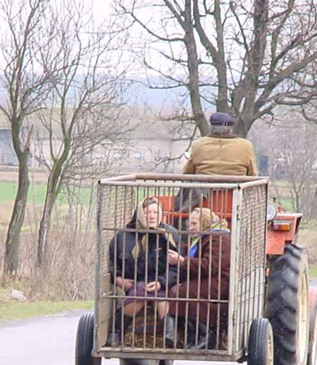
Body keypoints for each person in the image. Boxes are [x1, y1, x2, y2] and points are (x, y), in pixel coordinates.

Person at [108, 197, 178, 345]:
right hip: (135, 281)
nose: (152, 216)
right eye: (147, 212)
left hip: (162, 281)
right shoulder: (123, 236)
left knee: (161, 297)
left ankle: (170, 335)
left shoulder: (170, 235)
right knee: (140, 291)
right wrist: (119, 280)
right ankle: (117, 331)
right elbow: (113, 264)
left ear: (161, 215)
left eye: (155, 212)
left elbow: (177, 268)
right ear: (139, 214)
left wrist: (161, 282)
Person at [167, 207, 231, 349]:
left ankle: (206, 334)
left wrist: (182, 261)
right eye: (189, 224)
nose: (191, 228)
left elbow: (210, 265)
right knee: (178, 289)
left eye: (194, 224)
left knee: (184, 292)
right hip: (210, 278)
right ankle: (188, 334)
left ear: (205, 222)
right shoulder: (207, 237)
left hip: (221, 281)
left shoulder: (219, 238)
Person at [177, 112, 258, 214]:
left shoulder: (199, 144)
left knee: (179, 205)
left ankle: (178, 220)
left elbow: (188, 172)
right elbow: (252, 174)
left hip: (201, 199)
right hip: (235, 198)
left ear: (211, 127)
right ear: (230, 128)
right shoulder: (245, 145)